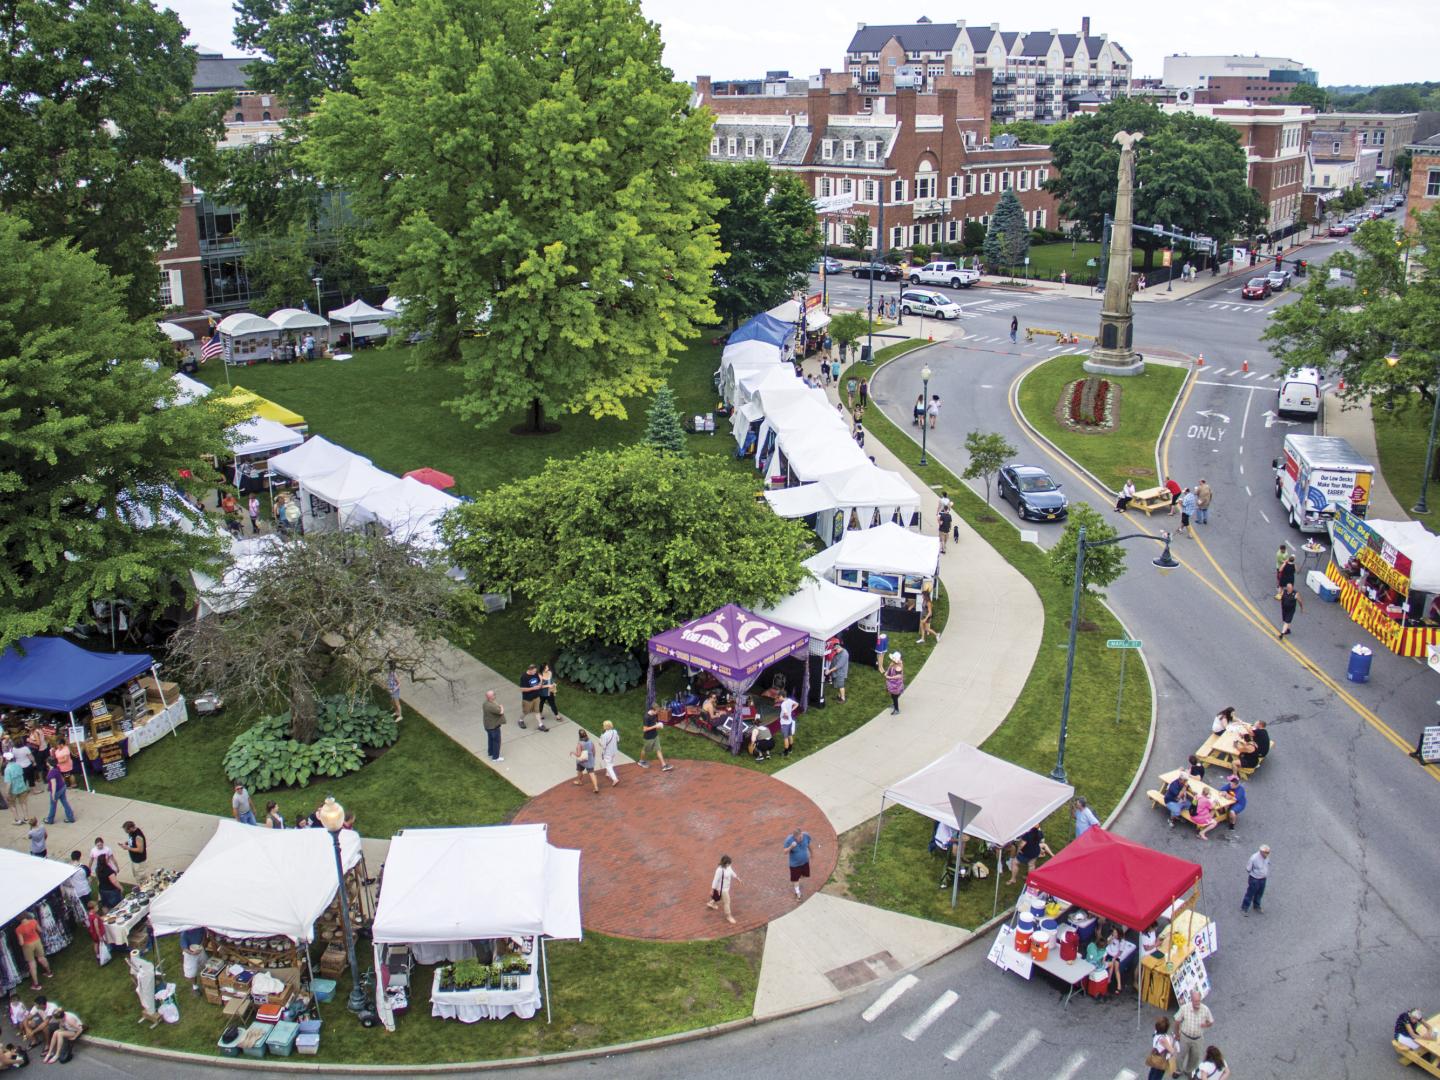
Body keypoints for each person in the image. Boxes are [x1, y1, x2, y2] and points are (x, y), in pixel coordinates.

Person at [1173, 989, 1214, 1077]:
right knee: (1180, 1055)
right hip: (1185, 1037)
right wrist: (1177, 1034)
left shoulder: (1205, 1009)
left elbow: (1211, 1021)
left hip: (1198, 1039)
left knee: (1194, 1058)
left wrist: (1205, 1025)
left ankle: (1189, 1071)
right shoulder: (1184, 1008)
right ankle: (1179, 1070)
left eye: (1199, 1001)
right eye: (1195, 1001)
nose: (1197, 1003)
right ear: (1191, 1000)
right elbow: (1177, 1021)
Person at [16, 911, 50, 989]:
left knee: (32, 964)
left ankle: (36, 984)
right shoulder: (33, 921)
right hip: (37, 941)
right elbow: (40, 930)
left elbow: (21, 943)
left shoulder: (18, 929)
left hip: (27, 945)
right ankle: (49, 972)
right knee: (41, 958)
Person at [706, 854, 739, 925]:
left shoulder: (728, 866)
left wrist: (737, 878)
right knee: (727, 902)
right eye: (729, 863)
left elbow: (732, 872)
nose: (730, 864)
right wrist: (712, 889)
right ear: (725, 863)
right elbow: (715, 880)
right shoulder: (719, 870)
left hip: (726, 887)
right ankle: (728, 916)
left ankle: (711, 903)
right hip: (722, 889)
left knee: (720, 897)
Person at [784, 827, 814, 901]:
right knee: (796, 879)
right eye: (798, 838)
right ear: (794, 837)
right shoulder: (789, 840)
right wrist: (791, 847)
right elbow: (785, 852)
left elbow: (809, 844)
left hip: (805, 862)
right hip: (794, 865)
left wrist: (812, 853)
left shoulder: (806, 835)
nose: (800, 839)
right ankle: (798, 894)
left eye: (801, 837)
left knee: (804, 876)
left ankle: (797, 879)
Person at [1242, 843, 1271, 915]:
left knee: (1260, 893)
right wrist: (1255, 875)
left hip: (1263, 878)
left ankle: (1256, 906)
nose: (1267, 854)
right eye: (1266, 853)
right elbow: (1248, 869)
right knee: (1250, 893)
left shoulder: (1266, 857)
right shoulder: (1254, 858)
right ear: (1261, 852)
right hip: (1254, 879)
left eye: (1268, 853)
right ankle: (1245, 907)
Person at [518, 663, 549, 731]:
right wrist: (533, 688)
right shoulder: (524, 677)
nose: (535, 673)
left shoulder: (535, 674)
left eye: (536, 671)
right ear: (530, 670)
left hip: (536, 697)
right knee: (526, 712)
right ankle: (520, 720)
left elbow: (539, 683)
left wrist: (540, 682)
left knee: (537, 711)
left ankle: (540, 725)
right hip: (527, 698)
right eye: (534, 671)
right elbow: (522, 689)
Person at [43, 759, 74, 825]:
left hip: (56, 791)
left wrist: (53, 795)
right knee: (65, 802)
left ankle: (50, 820)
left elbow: (53, 784)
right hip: (62, 787)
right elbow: (60, 777)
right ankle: (70, 817)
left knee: (53, 805)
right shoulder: (57, 768)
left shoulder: (51, 773)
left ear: (48, 763)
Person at [4, 752, 29, 824]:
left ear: (7, 760)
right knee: (23, 803)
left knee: (12, 804)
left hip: (13, 790)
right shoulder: (18, 765)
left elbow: (8, 783)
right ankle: (26, 818)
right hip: (22, 787)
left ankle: (17, 819)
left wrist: (7, 793)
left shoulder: (7, 769)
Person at [482, 689, 506, 762]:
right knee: (496, 742)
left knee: (490, 739)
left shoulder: (485, 703)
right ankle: (495, 757)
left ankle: (491, 752)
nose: (495, 695)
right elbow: (500, 712)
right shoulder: (491, 706)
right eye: (494, 694)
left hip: (488, 726)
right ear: (490, 697)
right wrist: (501, 707)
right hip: (493, 727)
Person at [598, 720, 620, 786]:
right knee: (611, 762)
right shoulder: (615, 731)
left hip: (608, 752)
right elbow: (618, 739)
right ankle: (608, 773)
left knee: (608, 766)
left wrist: (600, 741)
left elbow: (603, 745)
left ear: (605, 727)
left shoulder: (604, 735)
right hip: (614, 750)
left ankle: (615, 779)